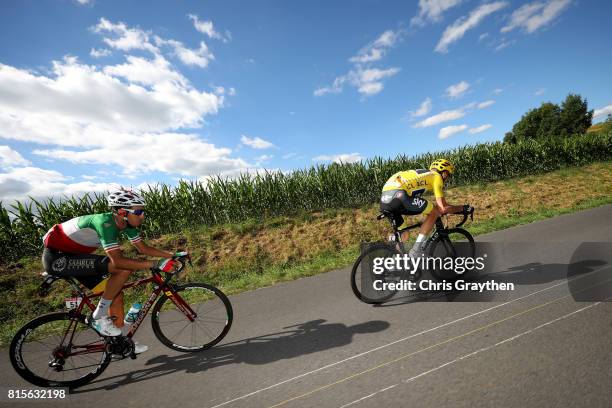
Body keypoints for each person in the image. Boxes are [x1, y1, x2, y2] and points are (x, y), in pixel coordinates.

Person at [41, 187, 183, 353]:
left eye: (143, 211)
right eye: (138, 212)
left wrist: (172, 255)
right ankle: (98, 318)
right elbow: (119, 261)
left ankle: (119, 344)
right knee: (122, 270)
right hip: (58, 259)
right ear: (122, 212)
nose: (143, 216)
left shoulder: (127, 223)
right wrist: (156, 264)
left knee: (115, 295)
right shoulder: (105, 222)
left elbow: (143, 248)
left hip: (76, 258)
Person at [380, 159, 473, 257]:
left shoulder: (424, 175)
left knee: (404, 234)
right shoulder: (436, 176)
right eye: (448, 174)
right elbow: (442, 208)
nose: (448, 178)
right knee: (434, 211)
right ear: (444, 172)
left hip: (385, 200)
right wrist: (463, 208)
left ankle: (394, 263)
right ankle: (416, 251)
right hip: (399, 196)